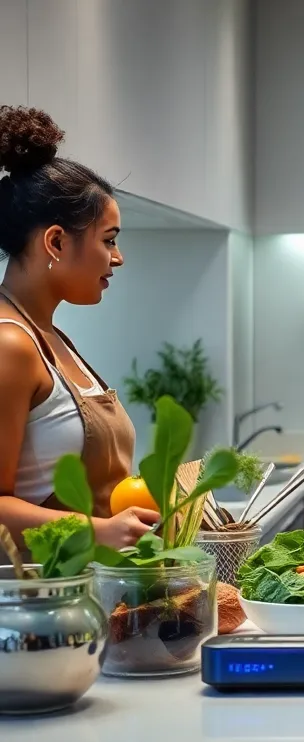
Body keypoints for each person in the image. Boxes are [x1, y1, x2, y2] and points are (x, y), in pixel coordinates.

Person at [0, 106, 159, 552]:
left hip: (91, 585)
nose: (118, 257)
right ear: (55, 241)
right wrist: (99, 531)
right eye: (109, 240)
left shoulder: (50, 338)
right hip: (40, 592)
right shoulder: (9, 344)